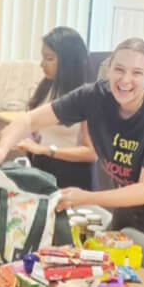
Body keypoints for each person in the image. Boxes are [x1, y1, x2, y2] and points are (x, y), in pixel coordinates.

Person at [0, 37, 144, 284]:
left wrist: (86, 197)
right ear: (109, 69)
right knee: (111, 277)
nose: (125, 80)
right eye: (119, 69)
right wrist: (2, 149)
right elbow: (29, 120)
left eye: (137, 73)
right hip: (129, 202)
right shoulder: (94, 97)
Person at [15, 26, 96, 189]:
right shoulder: (48, 85)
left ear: (68, 61)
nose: (42, 64)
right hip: (42, 167)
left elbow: (91, 154)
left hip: (70, 176)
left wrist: (44, 149)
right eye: (42, 57)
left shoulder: (87, 97)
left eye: (49, 58)